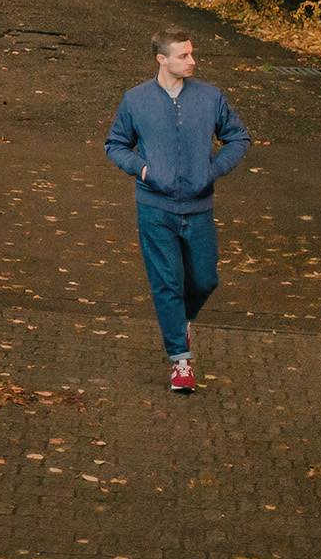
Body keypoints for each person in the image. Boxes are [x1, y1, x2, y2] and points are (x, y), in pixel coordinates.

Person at [105, 27, 251, 393]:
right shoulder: (136, 100)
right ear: (162, 59)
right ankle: (180, 363)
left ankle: (180, 321)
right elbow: (116, 144)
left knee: (204, 280)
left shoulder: (209, 97)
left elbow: (238, 137)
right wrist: (143, 170)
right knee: (167, 282)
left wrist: (212, 170)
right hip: (155, 207)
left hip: (199, 206)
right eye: (183, 55)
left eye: (191, 53)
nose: (192, 61)